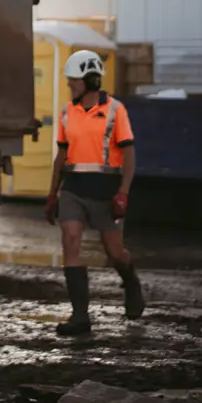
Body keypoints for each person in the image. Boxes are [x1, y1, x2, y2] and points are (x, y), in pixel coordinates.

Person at [46, 49, 143, 336]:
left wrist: (123, 192)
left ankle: (131, 282)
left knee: (115, 252)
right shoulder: (67, 111)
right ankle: (80, 317)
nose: (70, 85)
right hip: (73, 189)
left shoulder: (116, 110)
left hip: (106, 192)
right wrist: (53, 194)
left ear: (89, 79)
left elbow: (129, 155)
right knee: (70, 240)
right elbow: (61, 157)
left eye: (73, 80)